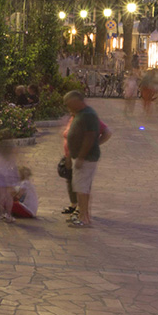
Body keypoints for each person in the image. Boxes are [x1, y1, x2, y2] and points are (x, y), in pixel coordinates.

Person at [64, 91, 101, 228]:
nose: (68, 107)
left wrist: (81, 156)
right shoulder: (80, 114)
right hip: (79, 157)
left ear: (77, 101)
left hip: (86, 159)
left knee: (82, 189)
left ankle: (84, 218)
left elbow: (90, 137)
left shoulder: (88, 115)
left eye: (70, 104)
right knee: (80, 188)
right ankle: (82, 216)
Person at [0, 135, 19, 222]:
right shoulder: (11, 151)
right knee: (9, 197)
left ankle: (0, 214)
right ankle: (8, 215)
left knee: (1, 196)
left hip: (0, 173)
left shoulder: (0, 150)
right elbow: (13, 163)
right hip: (9, 175)